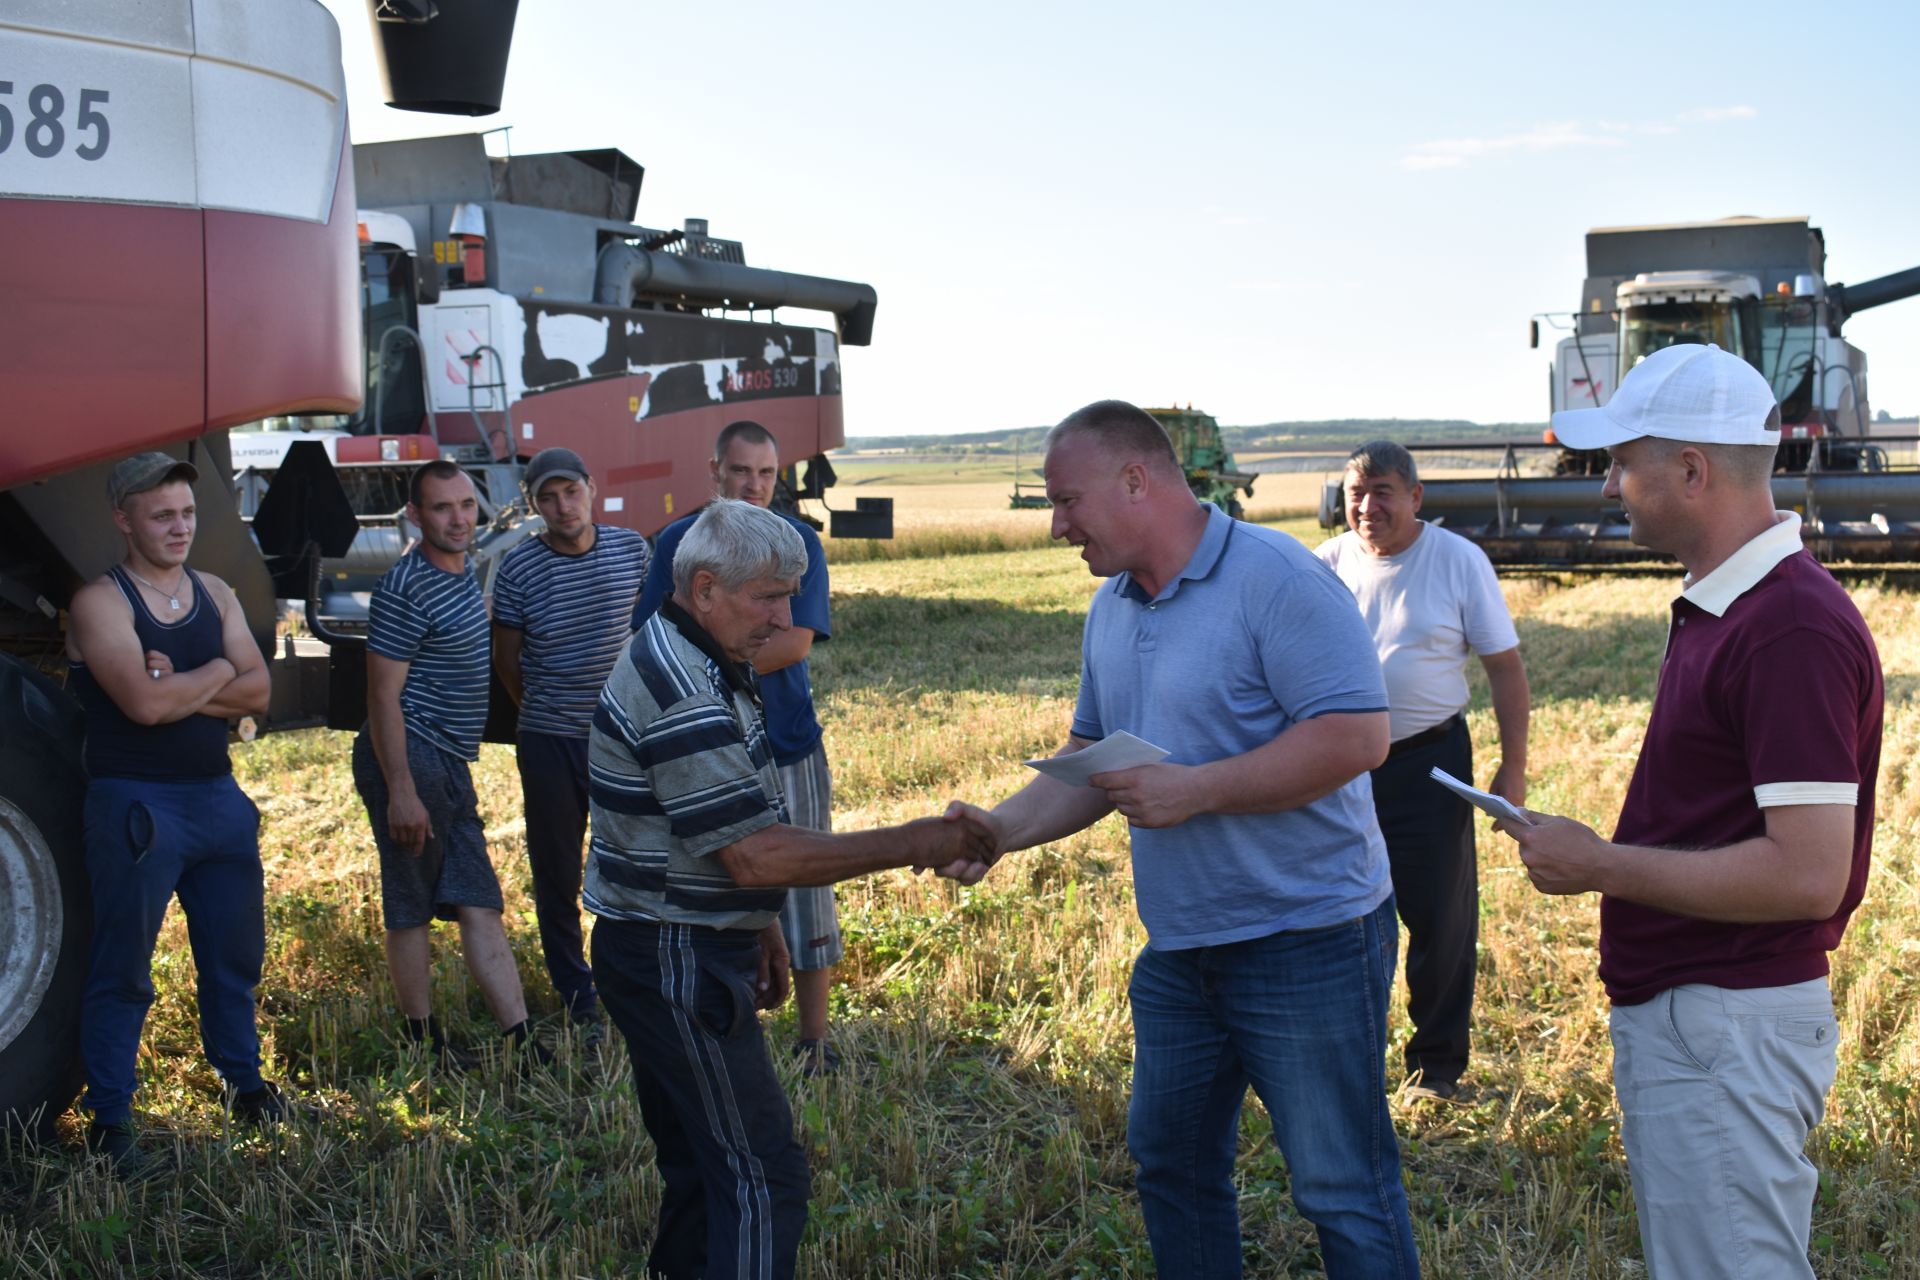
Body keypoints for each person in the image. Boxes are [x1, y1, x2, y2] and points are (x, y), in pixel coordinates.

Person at [950, 402, 1421, 1279]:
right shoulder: (1113, 608)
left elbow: (1359, 737)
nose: (1056, 526)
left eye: (1067, 501)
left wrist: (1196, 791)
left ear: (1136, 481)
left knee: (1340, 1190)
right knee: (1171, 1168)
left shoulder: (1276, 578)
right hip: (1182, 951)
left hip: (1307, 940)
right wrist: (1002, 830)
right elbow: (1093, 756)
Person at [1495, 344, 1882, 1279]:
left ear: (1692, 471)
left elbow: (1806, 873)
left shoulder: (1785, 626)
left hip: (1727, 1025)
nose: (1609, 489)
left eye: (1623, 463)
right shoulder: (1739, 608)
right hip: (1712, 1020)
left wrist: (1601, 865)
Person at [589, 497, 993, 1280]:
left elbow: (724, 840)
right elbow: (754, 855)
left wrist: (760, 925)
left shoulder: (699, 652)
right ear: (704, 589)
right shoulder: (683, 691)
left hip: (671, 942)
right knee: (763, 1176)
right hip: (675, 956)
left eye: (789, 594)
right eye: (767, 596)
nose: (784, 617)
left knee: (703, 1171)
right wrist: (916, 841)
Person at [65, 452, 282, 1179]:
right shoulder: (100, 602)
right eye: (162, 515)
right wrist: (222, 672)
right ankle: (111, 1121)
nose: (179, 527)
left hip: (218, 800)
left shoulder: (214, 591)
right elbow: (144, 706)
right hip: (137, 804)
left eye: (187, 512)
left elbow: (258, 694)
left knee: (234, 958)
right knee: (124, 966)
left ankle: (246, 1088)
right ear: (123, 519)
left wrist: (197, 676)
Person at [1316, 439, 1530, 1101]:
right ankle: (1344, 1060)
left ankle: (1436, 1068)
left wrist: (1512, 767)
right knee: (1340, 915)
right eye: (1357, 493)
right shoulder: (1325, 565)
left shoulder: (1457, 560)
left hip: (1430, 763)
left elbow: (1506, 670)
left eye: (1383, 491)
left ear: (1416, 497)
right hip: (1340, 769)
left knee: (1440, 919)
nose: (1368, 506)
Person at [633, 421, 845, 1074]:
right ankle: (723, 1033)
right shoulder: (676, 542)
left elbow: (796, 642)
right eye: (740, 471)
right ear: (714, 471)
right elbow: (650, 634)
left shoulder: (798, 542)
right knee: (711, 888)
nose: (753, 485)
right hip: (705, 749)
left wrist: (710, 665)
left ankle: (815, 1041)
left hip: (786, 743)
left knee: (807, 881)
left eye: (766, 473)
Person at [353, 459, 540, 1068]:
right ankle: (422, 1044)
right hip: (411, 755)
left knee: (479, 900)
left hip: (450, 762)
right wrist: (400, 789)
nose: (459, 518)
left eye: (466, 505)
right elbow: (382, 696)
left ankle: (522, 1040)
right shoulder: (405, 586)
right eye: (442, 507)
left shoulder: (460, 573)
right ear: (415, 515)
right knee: (411, 901)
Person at [492, 447, 650, 1033]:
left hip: (624, 739)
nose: (563, 506)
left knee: (634, 858)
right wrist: (545, 714)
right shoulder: (518, 568)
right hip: (550, 741)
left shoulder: (632, 550)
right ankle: (574, 986)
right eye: (548, 497)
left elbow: (648, 633)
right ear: (534, 505)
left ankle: (630, 968)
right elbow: (507, 662)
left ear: (591, 487)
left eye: (571, 492)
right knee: (557, 870)